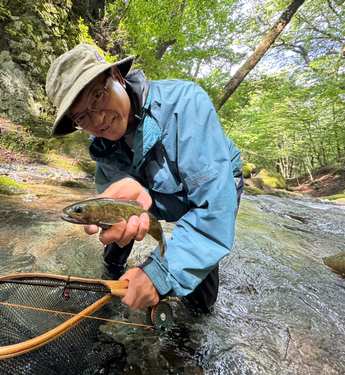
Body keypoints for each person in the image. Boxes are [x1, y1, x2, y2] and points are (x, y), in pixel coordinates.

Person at [45, 44, 244, 315]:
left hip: (211, 184)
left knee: (198, 296)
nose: (98, 119)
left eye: (97, 98)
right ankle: (113, 279)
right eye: (82, 116)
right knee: (115, 221)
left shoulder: (186, 104)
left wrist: (159, 274)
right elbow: (117, 209)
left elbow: (213, 208)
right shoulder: (101, 148)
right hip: (148, 195)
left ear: (117, 77)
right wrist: (126, 200)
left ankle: (195, 312)